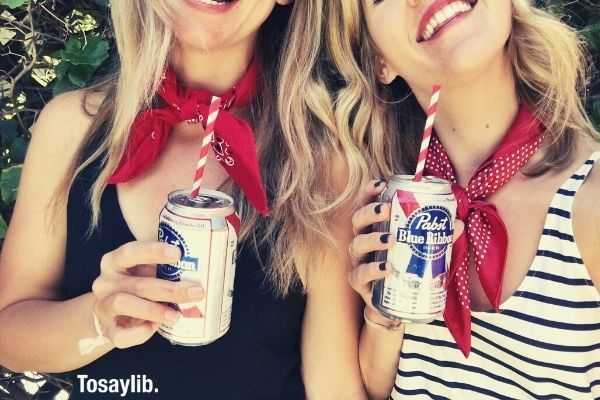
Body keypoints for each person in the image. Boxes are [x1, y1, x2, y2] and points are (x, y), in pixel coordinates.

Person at [0, 1, 368, 399]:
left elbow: (333, 386)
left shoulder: (320, 163)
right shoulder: (71, 131)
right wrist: (98, 319)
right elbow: (9, 335)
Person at [328, 0, 600, 399]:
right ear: (379, 62)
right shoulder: (386, 199)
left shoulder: (589, 203)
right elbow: (379, 387)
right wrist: (383, 311)